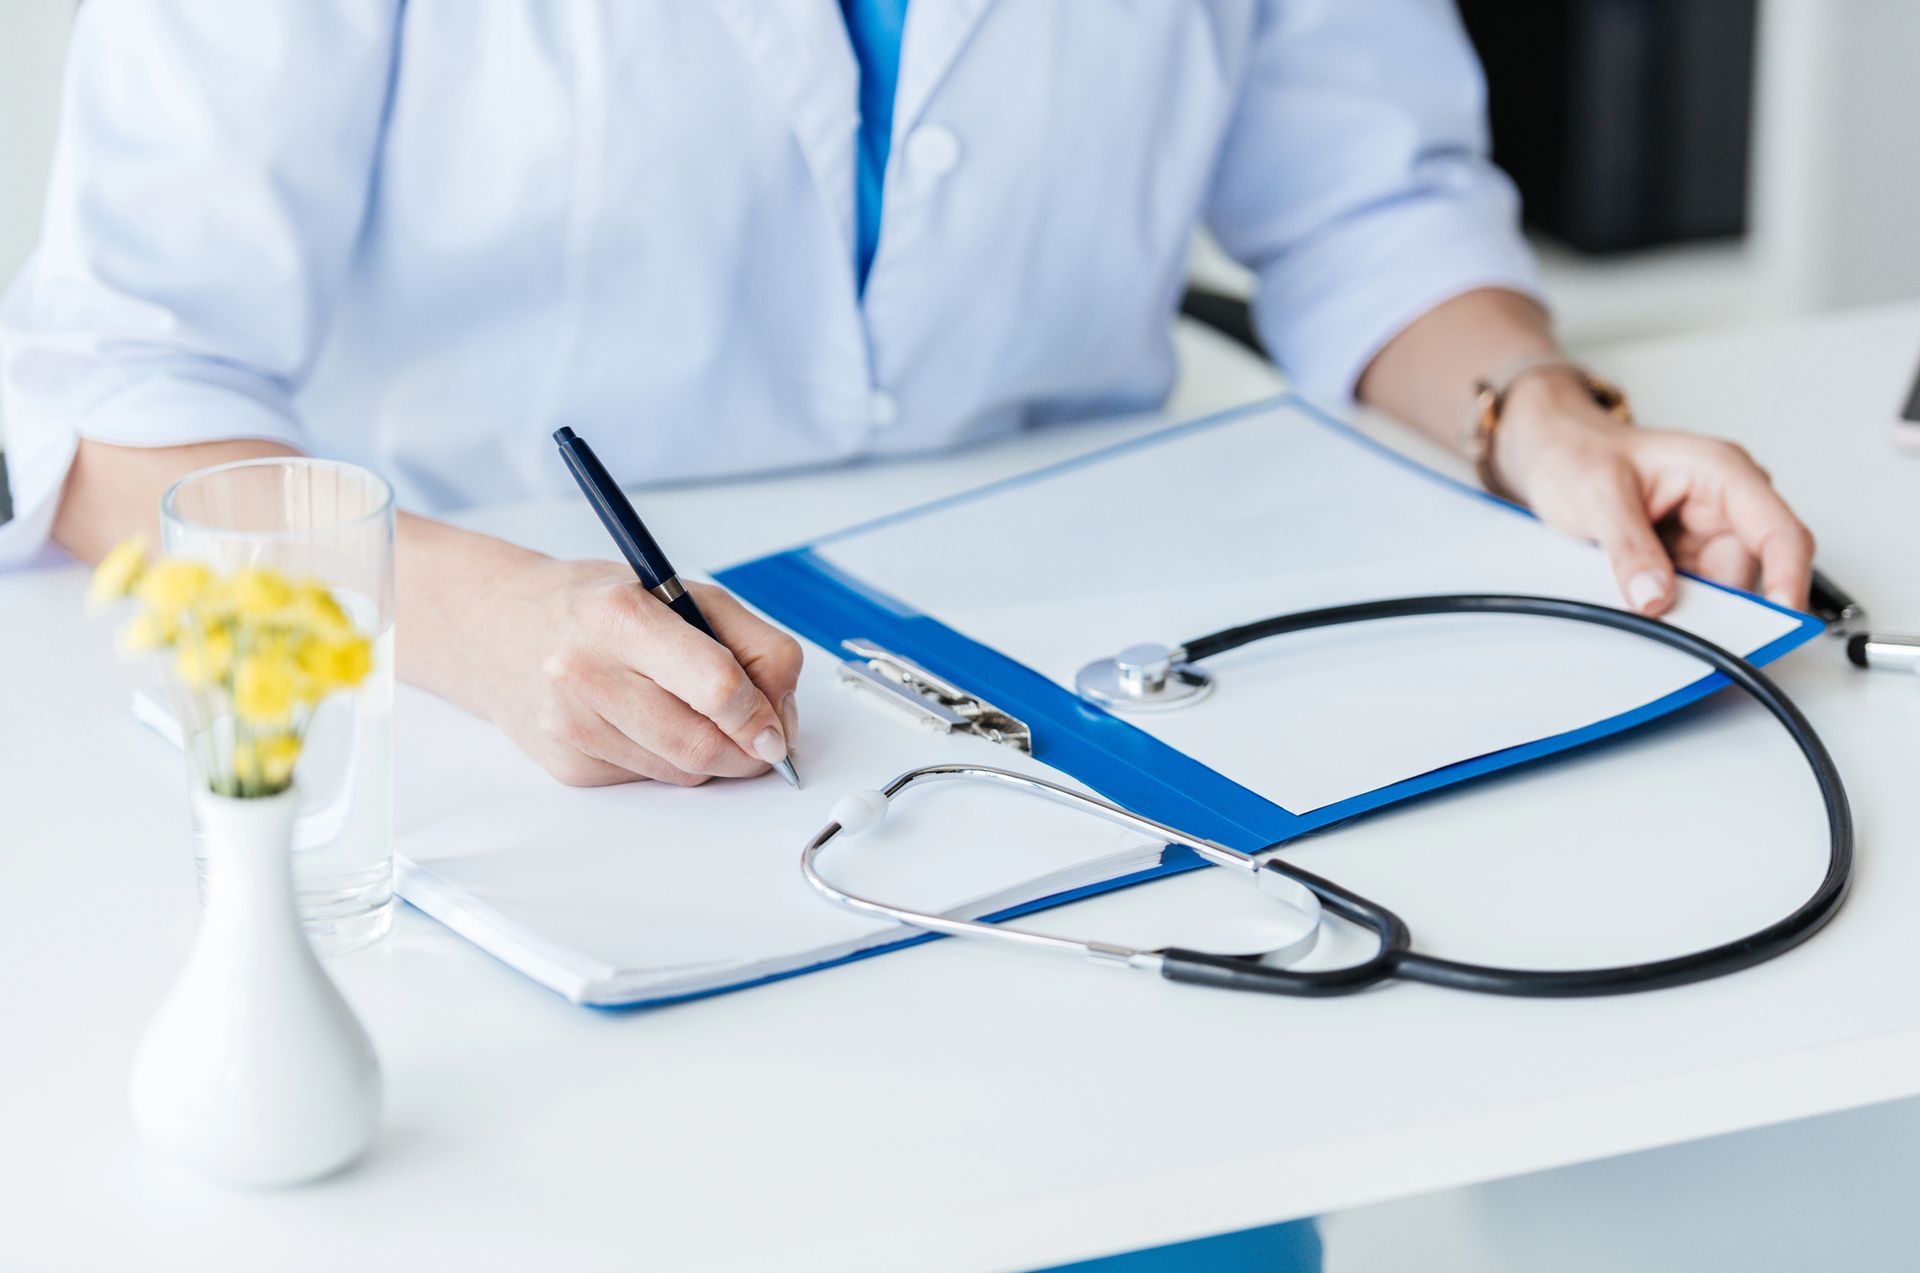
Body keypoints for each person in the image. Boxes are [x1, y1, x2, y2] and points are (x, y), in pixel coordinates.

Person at [3, 0, 1815, 801]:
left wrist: (1533, 412)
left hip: (1101, 709)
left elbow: (1368, 200)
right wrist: (479, 625)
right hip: (483, 735)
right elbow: (105, 413)